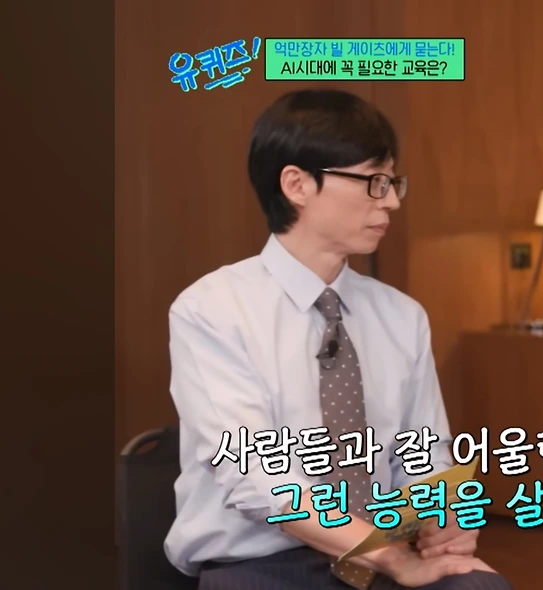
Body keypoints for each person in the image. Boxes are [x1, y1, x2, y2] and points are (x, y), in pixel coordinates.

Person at [164, 89, 511, 590]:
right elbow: (257, 478)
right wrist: (388, 557)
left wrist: (448, 519)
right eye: (373, 182)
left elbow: (425, 459)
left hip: (390, 547)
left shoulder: (401, 315)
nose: (391, 201)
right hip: (265, 564)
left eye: (393, 183)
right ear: (297, 184)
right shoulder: (213, 310)